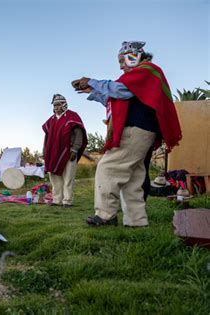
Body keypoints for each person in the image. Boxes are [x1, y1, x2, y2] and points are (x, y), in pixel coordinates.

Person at [73, 41, 182, 227]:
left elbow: (120, 92)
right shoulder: (145, 75)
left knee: (108, 168)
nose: (121, 65)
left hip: (135, 129)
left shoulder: (147, 70)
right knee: (133, 178)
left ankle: (106, 215)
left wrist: (92, 81)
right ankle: (137, 221)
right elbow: (115, 99)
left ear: (134, 56)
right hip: (144, 131)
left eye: (123, 60)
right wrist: (94, 90)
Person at [42, 94, 87, 207]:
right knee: (54, 176)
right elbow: (46, 137)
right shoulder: (50, 120)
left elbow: (78, 133)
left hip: (69, 151)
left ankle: (67, 200)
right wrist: (45, 151)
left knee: (68, 177)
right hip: (53, 152)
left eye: (58, 105)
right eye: (54, 105)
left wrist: (75, 148)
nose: (56, 107)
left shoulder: (72, 116)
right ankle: (57, 199)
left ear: (64, 105)